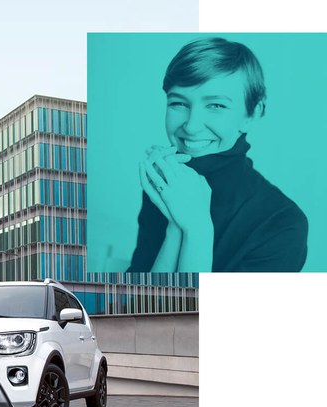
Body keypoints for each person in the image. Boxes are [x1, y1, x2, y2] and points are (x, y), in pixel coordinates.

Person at [127, 37, 308, 272]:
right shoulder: (168, 183)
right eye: (178, 103)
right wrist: (175, 228)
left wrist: (197, 229)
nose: (191, 126)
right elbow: (141, 299)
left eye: (216, 106)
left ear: (252, 114)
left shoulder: (283, 223)